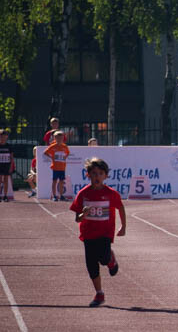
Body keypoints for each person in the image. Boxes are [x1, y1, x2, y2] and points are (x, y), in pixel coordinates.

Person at [70, 157, 126, 307]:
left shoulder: (111, 193)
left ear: (106, 176)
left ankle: (110, 260)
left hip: (105, 233)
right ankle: (99, 293)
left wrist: (123, 227)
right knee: (91, 264)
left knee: (103, 257)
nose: (97, 177)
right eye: (94, 173)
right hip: (88, 234)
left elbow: (120, 207)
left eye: (100, 173)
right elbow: (77, 219)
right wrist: (84, 214)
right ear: (88, 175)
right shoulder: (83, 194)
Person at [43, 130, 70, 201]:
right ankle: (54, 195)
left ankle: (61, 195)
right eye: (58, 138)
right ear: (55, 138)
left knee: (61, 181)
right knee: (54, 181)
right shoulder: (53, 146)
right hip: (55, 167)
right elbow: (45, 152)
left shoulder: (65, 147)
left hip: (62, 167)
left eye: (61, 138)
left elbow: (67, 153)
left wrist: (65, 157)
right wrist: (52, 157)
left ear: (63, 138)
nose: (59, 140)